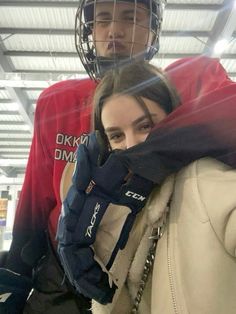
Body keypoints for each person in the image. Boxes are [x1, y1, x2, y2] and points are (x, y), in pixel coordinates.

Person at [1, 0, 236, 313]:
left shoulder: (182, 86)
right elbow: (35, 200)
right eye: (102, 20)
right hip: (61, 275)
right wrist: (15, 276)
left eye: (131, 18)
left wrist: (149, 156)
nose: (114, 31)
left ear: (152, 32)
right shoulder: (57, 101)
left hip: (135, 265)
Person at [58, 62, 236, 314]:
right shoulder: (117, 213)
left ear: (173, 118)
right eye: (116, 136)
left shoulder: (203, 182)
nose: (131, 145)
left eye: (145, 126)